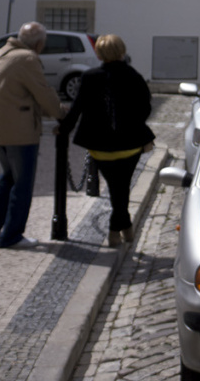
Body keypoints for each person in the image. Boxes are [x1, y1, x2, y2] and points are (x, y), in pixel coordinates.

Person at [61, 34, 156, 247]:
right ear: (122, 51)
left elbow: (77, 109)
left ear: (100, 53)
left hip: (100, 146)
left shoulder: (89, 77)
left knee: (116, 187)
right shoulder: (134, 76)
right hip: (130, 145)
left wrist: (63, 129)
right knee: (121, 188)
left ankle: (121, 230)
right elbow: (146, 109)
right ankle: (120, 228)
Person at [0, 22, 67, 249]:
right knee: (23, 184)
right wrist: (61, 114)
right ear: (39, 44)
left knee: (9, 175)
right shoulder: (27, 59)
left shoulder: (1, 53)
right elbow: (43, 93)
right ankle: (12, 236)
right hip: (20, 131)